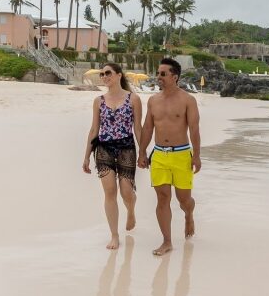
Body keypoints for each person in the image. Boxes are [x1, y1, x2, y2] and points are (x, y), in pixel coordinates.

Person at [137, 58, 201, 256]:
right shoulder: (153, 100)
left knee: (184, 199)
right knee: (162, 198)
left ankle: (189, 214)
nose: (159, 77)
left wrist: (196, 156)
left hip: (181, 155)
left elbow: (194, 129)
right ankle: (167, 241)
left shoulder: (188, 100)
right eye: (158, 73)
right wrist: (142, 152)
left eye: (163, 74)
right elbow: (148, 128)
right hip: (159, 156)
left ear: (175, 77)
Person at [83, 62, 143, 249]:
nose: (104, 77)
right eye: (101, 74)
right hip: (104, 149)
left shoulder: (133, 99)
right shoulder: (98, 101)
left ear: (118, 75)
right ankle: (114, 235)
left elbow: (138, 128)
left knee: (126, 192)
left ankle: (131, 211)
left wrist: (143, 152)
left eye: (108, 73)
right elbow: (94, 129)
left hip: (126, 147)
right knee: (110, 192)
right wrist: (86, 156)